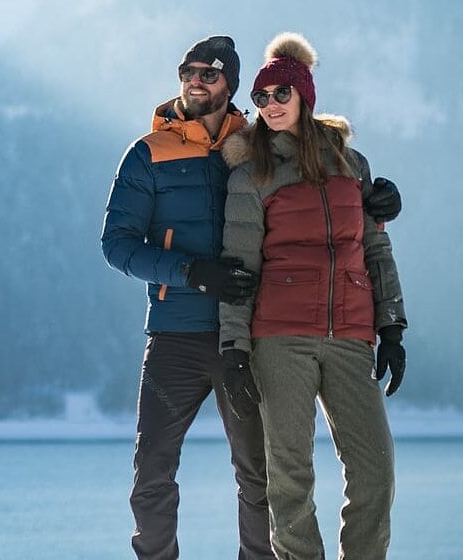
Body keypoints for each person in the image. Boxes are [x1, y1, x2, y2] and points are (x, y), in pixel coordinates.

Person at [216, 33, 408, 560]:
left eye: (281, 94)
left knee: (375, 473)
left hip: (351, 337)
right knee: (290, 477)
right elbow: (239, 267)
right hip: (279, 339)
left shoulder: (352, 164)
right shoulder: (251, 172)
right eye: (261, 98)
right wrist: (234, 347)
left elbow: (375, 249)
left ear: (304, 95)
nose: (270, 106)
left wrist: (391, 327)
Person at [102, 35, 274, 560]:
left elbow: (316, 176)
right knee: (152, 470)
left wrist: (370, 194)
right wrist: (192, 272)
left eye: (209, 73)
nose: (195, 81)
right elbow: (117, 247)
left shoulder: (257, 145)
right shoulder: (148, 153)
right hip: (174, 335)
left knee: (260, 474)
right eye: (188, 71)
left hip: (242, 336)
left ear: (231, 85)